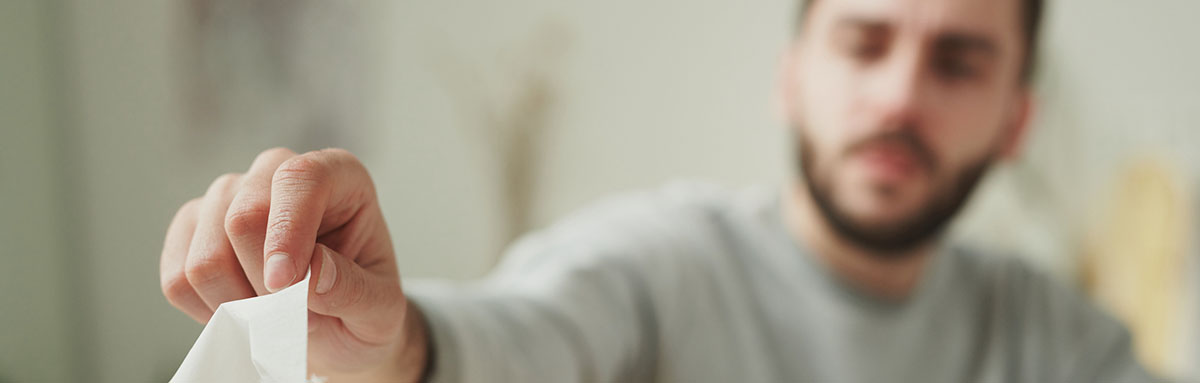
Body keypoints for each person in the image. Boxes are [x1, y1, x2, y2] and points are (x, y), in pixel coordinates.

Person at [159, 0, 1161, 381]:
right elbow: (518, 336)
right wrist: (387, 346)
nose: (900, 95)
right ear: (792, 78)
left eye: (957, 62)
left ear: (1014, 122)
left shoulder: (1054, 336)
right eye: (864, 43)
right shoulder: (662, 265)